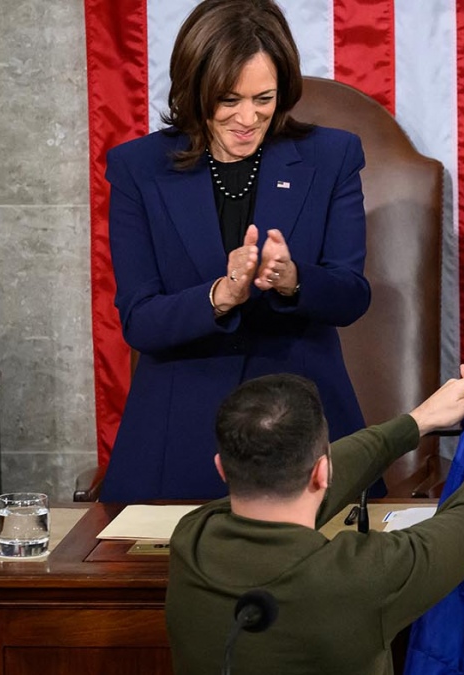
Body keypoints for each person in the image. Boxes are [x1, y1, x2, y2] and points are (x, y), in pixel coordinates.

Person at [100, 0, 370, 502]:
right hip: (179, 433)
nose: (248, 118)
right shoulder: (139, 169)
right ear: (194, 89)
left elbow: (351, 295)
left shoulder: (332, 157)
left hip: (301, 419)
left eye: (263, 98)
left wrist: (291, 279)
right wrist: (221, 295)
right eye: (228, 100)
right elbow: (140, 320)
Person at [165, 367, 464, 674]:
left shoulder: (191, 537)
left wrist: (417, 422)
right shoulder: (361, 576)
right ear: (321, 473)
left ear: (221, 469)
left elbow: (306, 480)